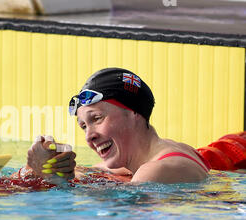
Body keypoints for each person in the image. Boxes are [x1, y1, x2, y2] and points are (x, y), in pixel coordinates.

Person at [19, 68, 211, 184]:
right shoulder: (170, 151)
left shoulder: (153, 172)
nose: (89, 136)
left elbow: (112, 217)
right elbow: (89, 172)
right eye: (84, 126)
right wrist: (38, 168)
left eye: (97, 118)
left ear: (133, 111)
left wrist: (49, 179)